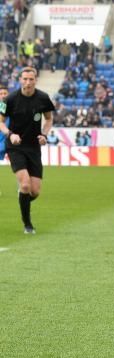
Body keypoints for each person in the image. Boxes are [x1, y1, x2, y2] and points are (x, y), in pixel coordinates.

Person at [0, 67, 55, 234]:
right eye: (25, 79)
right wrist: (10, 134)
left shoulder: (43, 98)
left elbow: (48, 119)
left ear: (35, 80)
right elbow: (0, 121)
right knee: (24, 185)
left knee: (35, 191)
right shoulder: (9, 99)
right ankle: (27, 225)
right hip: (16, 147)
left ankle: (22, 198)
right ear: (20, 80)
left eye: (31, 79)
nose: (28, 82)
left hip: (33, 147)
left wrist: (44, 135)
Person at [0, 85, 8, 161]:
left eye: (5, 93)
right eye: (1, 94)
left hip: (12, 140)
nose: (3, 95)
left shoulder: (13, 107)